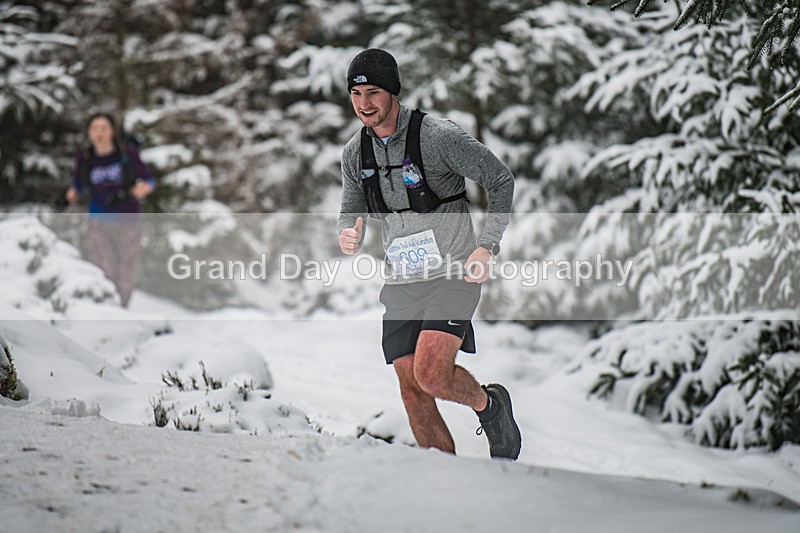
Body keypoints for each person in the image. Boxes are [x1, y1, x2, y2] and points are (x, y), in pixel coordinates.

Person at [337, 49, 522, 459]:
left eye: (374, 92)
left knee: (432, 375)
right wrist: (347, 232)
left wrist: (487, 245)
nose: (364, 104)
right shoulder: (355, 153)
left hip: (454, 273)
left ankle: (490, 406)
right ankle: (441, 477)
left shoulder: (437, 137)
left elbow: (500, 179)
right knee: (411, 388)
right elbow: (350, 208)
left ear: (393, 92)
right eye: (356, 94)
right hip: (402, 281)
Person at [65, 113, 155, 308]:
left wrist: (129, 194)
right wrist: (67, 197)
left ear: (112, 131)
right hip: (98, 220)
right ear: (89, 133)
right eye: (94, 129)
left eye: (104, 128)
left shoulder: (126, 153)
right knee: (103, 267)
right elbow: (76, 186)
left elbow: (149, 182)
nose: (99, 133)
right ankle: (107, 308)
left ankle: (121, 309)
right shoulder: (85, 158)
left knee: (126, 269)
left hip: (128, 220)